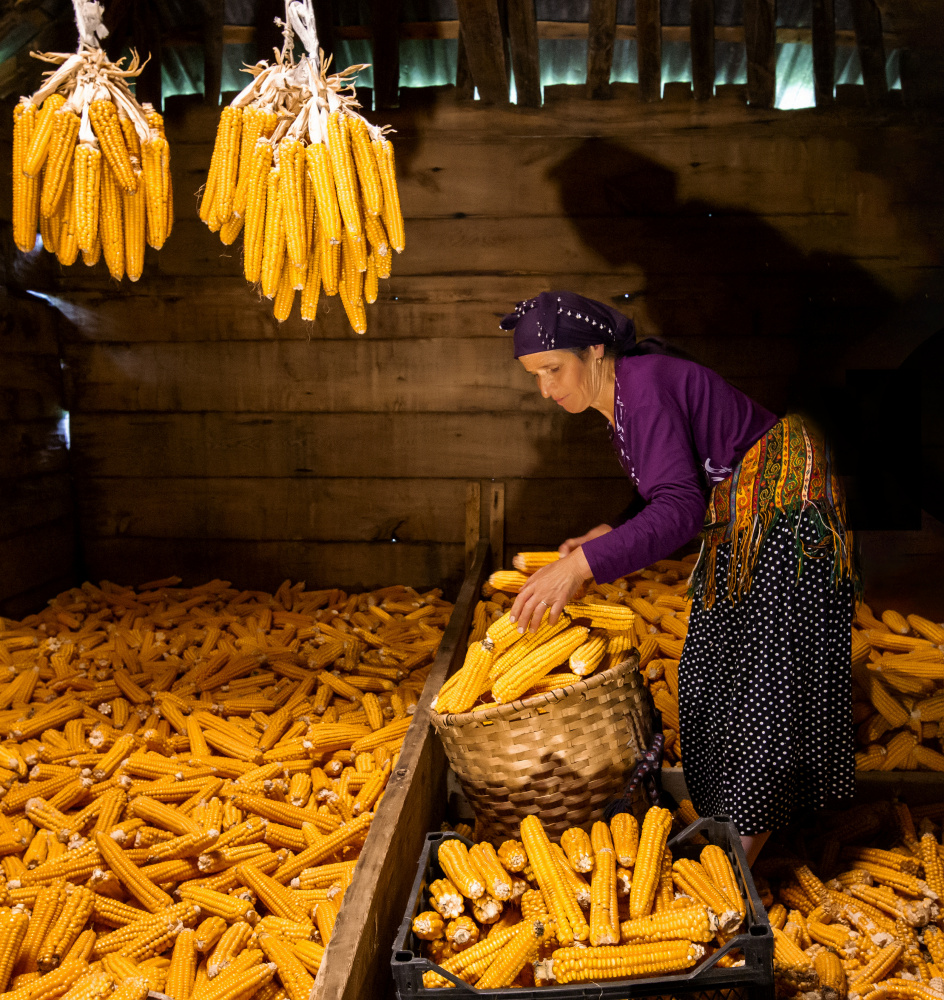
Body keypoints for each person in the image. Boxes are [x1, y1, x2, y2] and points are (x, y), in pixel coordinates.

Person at [503, 291, 858, 865]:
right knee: (705, 675)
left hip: (789, 508)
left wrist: (580, 567)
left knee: (764, 683)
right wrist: (610, 531)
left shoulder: (639, 388)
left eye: (553, 370)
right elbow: (673, 483)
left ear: (596, 351)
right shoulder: (625, 397)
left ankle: (740, 860)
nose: (546, 389)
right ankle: (734, 830)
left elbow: (679, 510)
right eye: (535, 377)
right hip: (745, 516)